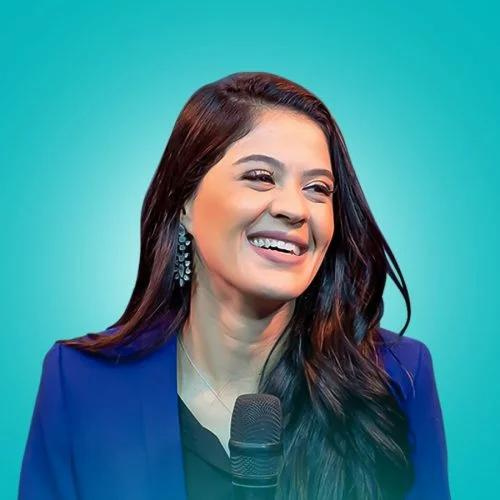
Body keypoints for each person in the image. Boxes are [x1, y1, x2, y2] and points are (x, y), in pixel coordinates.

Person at [18, 71, 450, 500]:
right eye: (260, 176)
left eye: (318, 188)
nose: (294, 209)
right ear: (184, 202)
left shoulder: (396, 377)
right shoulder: (80, 383)